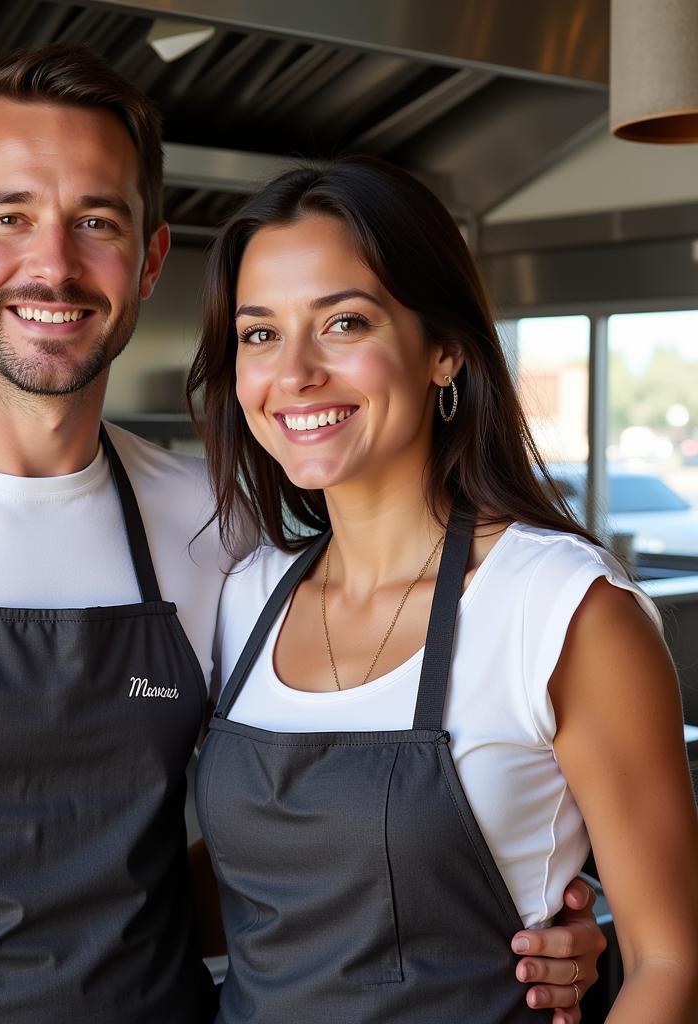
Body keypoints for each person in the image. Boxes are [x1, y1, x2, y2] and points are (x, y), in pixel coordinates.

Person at [0, 48, 602, 1023]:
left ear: (150, 258)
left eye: (96, 222)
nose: (54, 263)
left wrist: (509, 920)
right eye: (9, 217)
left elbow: (300, 830)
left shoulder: (218, 524)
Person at [187, 156, 698, 1023]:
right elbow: (266, 897)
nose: (296, 372)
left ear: (445, 353)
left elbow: (669, 963)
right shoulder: (243, 596)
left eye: (343, 322)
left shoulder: (559, 610)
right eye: (260, 333)